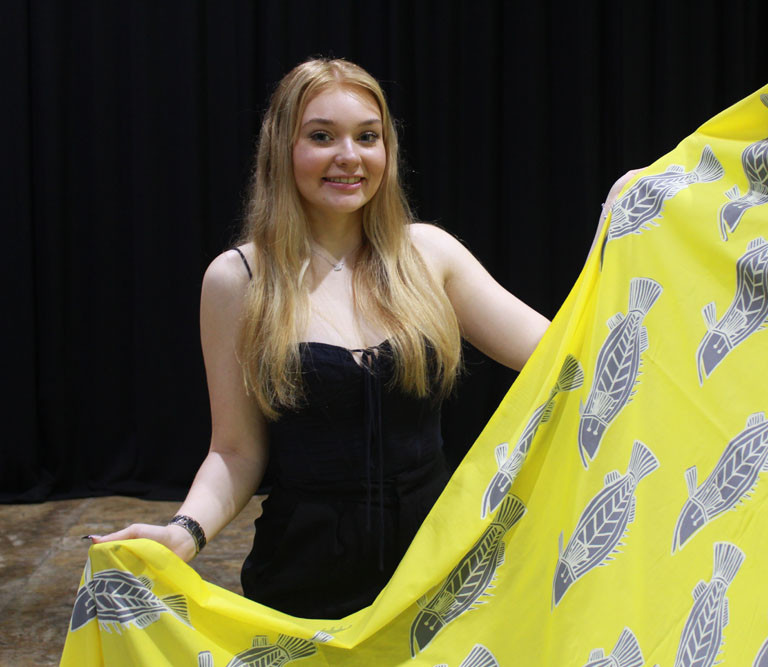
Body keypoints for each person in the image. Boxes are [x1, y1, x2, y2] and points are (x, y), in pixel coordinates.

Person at [90, 57, 627, 620]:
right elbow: (236, 450)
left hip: (437, 570)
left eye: (367, 137)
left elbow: (564, 351)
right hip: (305, 580)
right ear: (282, 148)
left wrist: (615, 236)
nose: (349, 156)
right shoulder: (238, 281)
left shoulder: (428, 255)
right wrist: (183, 534)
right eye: (322, 136)